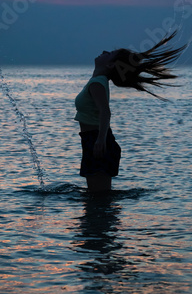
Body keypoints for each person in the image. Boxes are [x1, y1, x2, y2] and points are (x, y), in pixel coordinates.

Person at [74, 31, 186, 192]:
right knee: (98, 199)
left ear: (111, 65)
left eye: (110, 53)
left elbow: (105, 112)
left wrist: (100, 140)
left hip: (97, 141)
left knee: (99, 199)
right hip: (94, 140)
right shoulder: (98, 82)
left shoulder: (97, 83)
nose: (105, 52)